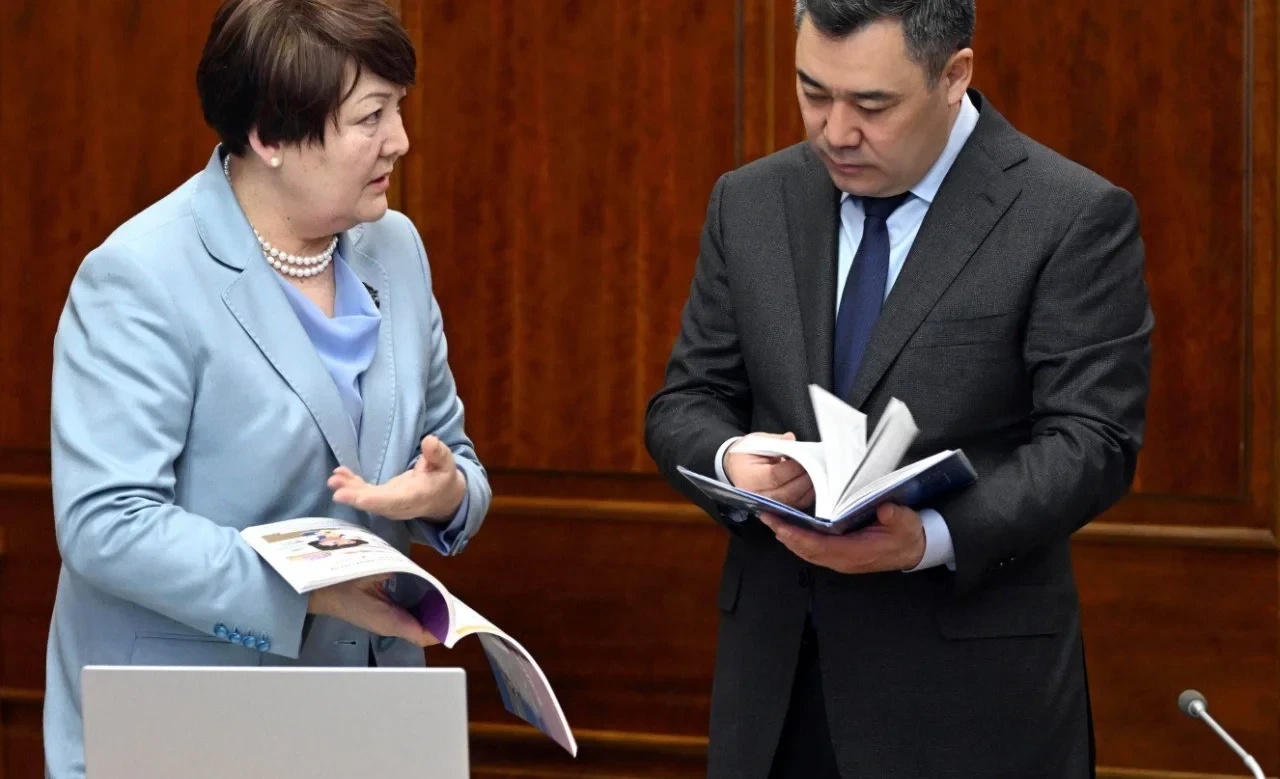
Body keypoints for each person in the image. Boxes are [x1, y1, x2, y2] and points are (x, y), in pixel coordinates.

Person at [644, 0, 1153, 777]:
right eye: (813, 92)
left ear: (954, 75)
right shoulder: (750, 200)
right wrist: (732, 461)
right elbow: (686, 401)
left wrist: (931, 535)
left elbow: (1094, 440)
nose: (836, 131)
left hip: (968, 706)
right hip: (776, 694)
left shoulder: (1070, 214)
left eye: (872, 104)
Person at [43, 1, 491, 776]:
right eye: (371, 116)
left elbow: (454, 455)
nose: (400, 139)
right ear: (270, 137)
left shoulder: (396, 248)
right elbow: (105, 523)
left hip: (370, 718)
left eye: (399, 108)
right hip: (189, 721)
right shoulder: (139, 277)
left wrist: (445, 492)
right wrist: (309, 590)